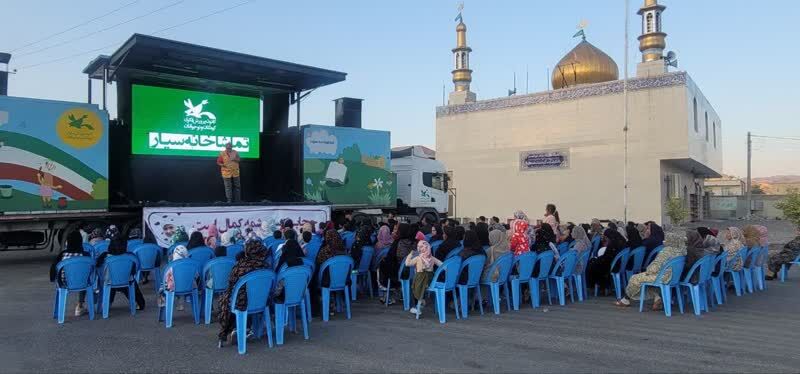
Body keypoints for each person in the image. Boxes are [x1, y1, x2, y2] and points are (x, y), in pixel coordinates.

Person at [616, 230, 687, 309]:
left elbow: (655, 266)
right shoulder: (682, 251)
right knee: (649, 281)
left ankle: (625, 300)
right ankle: (657, 298)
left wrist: (648, 271)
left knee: (635, 278)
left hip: (662, 277)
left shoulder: (666, 251)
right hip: (674, 278)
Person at [217, 240, 269, 347]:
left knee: (229, 298)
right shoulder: (266, 266)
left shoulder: (240, 266)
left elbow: (231, 283)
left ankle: (236, 328)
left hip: (242, 303)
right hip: (262, 301)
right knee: (243, 296)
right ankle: (247, 328)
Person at [96, 238, 146, 310]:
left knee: (106, 281)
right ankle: (139, 302)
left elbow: (99, 271)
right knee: (132, 281)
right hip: (126, 281)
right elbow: (135, 269)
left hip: (108, 282)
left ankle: (106, 304)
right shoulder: (131, 256)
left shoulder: (104, 257)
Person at [50, 231, 91, 316]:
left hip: (64, 283)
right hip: (82, 283)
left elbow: (53, 270)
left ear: (68, 242)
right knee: (84, 278)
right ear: (80, 242)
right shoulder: (86, 255)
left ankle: (59, 311)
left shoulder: (62, 255)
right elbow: (91, 270)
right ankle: (80, 305)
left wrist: (54, 279)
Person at [405, 241, 443, 317]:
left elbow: (407, 263)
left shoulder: (418, 258)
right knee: (422, 285)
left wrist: (410, 254)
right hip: (430, 281)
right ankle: (422, 300)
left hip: (421, 279)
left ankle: (416, 306)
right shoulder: (432, 258)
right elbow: (442, 264)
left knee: (412, 285)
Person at [586, 229, 626, 294]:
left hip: (613, 264)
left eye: (606, 237)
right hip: (619, 263)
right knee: (596, 263)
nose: (606, 238)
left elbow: (607, 256)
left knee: (593, 265)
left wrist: (597, 259)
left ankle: (599, 287)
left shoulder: (613, 243)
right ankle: (604, 287)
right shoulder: (622, 240)